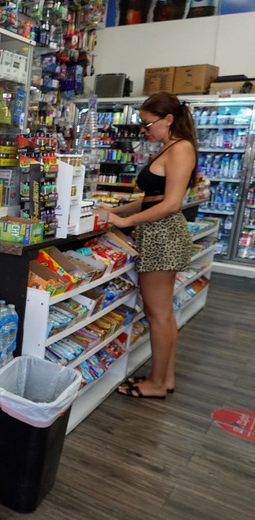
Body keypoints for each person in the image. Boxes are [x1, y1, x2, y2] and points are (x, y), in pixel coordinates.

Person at [98, 92, 197, 399]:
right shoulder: (168, 147)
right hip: (155, 232)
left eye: (147, 123)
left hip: (163, 235)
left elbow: (171, 204)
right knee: (161, 313)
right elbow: (150, 198)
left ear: (168, 119)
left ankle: (156, 384)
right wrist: (116, 214)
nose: (143, 130)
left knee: (158, 314)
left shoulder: (181, 149)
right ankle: (164, 378)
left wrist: (127, 222)